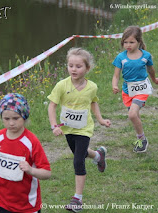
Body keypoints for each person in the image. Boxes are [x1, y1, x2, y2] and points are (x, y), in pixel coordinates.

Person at [48, 47, 111, 212]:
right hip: (68, 129)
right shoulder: (62, 85)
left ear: (87, 68)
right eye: (71, 65)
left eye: (78, 66)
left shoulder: (92, 87)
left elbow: (93, 102)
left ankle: (77, 199)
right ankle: (98, 155)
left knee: (78, 161)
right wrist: (54, 125)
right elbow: (52, 105)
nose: (73, 69)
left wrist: (100, 119)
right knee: (80, 153)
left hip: (84, 129)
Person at [0, 93, 51, 213]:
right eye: (6, 119)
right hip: (1, 202)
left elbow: (47, 173)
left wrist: (30, 170)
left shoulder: (31, 142)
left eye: (16, 118)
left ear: (24, 117)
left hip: (27, 206)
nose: (11, 123)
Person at [112, 26, 158, 153]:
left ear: (139, 42)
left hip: (142, 89)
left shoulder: (146, 56)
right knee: (135, 117)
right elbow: (116, 75)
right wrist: (115, 85)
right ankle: (141, 139)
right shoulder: (120, 57)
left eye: (131, 42)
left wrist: (154, 79)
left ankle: (142, 139)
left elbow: (151, 69)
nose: (128, 45)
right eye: (125, 42)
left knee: (132, 114)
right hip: (127, 91)